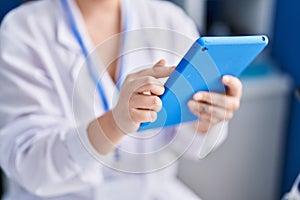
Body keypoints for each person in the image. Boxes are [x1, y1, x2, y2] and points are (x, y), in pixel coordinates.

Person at [0, 0, 243, 199]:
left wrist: (205, 117)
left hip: (151, 193)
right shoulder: (24, 30)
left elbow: (191, 146)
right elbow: (28, 164)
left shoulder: (170, 20)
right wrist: (114, 124)